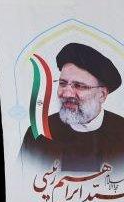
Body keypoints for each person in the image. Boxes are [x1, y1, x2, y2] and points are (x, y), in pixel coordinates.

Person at [20, 42, 124, 173]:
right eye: (63, 83)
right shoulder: (39, 133)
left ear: (102, 95)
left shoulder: (121, 132)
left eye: (79, 86)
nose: (67, 93)